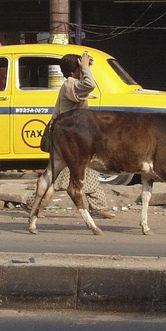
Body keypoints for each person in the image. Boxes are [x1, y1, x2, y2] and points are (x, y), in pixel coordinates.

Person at [42, 51, 115, 219]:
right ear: (73, 71)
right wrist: (85, 67)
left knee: (87, 171)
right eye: (80, 69)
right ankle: (34, 203)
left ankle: (99, 206)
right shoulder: (70, 84)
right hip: (68, 138)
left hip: (76, 137)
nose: (83, 71)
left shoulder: (74, 83)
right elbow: (90, 84)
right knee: (58, 174)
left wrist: (87, 66)